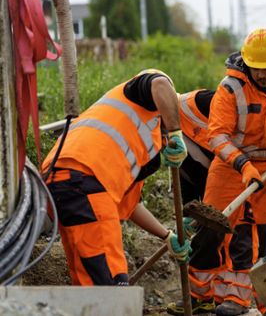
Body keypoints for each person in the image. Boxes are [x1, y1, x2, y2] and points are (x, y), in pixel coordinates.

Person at [168, 29, 266, 316]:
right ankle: (199, 295)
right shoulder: (230, 89)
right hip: (231, 166)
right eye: (257, 69)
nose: (262, 75)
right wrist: (244, 166)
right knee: (211, 228)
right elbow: (217, 136)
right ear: (247, 64)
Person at [41, 69, 191, 286]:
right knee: (110, 283)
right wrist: (176, 131)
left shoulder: (132, 143)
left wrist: (166, 236)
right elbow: (159, 83)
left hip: (60, 184)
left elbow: (130, 206)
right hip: (85, 181)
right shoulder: (141, 99)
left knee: (89, 283)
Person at [177, 88, 216, 205]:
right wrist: (189, 209)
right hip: (216, 190)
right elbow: (186, 173)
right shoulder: (161, 134)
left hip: (247, 174)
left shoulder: (199, 101)